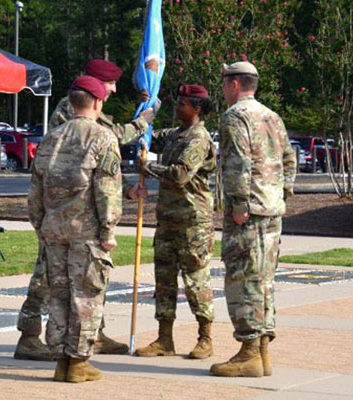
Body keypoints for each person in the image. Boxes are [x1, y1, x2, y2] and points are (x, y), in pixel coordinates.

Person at [14, 59, 154, 361]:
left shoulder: (86, 114)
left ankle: (92, 335)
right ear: (94, 88)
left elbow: (102, 165)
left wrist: (127, 188)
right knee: (49, 279)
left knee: (84, 279)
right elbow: (102, 142)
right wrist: (143, 122)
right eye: (110, 84)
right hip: (68, 211)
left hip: (67, 212)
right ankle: (29, 335)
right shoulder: (72, 109)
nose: (114, 90)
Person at [210, 62, 296, 377]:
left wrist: (239, 203)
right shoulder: (272, 116)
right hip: (271, 209)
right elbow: (289, 158)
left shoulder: (235, 116)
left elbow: (237, 163)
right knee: (264, 280)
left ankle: (249, 352)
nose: (222, 89)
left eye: (223, 83)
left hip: (249, 212)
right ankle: (262, 352)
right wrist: (282, 192)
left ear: (234, 84)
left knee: (243, 278)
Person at [135, 84, 217, 360]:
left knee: (195, 280)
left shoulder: (198, 138)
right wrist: (147, 110)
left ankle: (205, 338)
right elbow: (148, 137)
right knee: (164, 279)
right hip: (168, 218)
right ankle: (164, 339)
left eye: (182, 103)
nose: (177, 107)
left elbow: (180, 174)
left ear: (197, 108)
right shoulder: (176, 135)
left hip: (193, 220)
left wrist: (147, 166)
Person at [49, 58, 150, 146]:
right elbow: (110, 136)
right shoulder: (74, 104)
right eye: (111, 83)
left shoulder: (84, 104)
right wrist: (141, 123)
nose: (114, 89)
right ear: (96, 82)